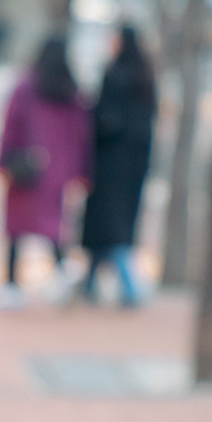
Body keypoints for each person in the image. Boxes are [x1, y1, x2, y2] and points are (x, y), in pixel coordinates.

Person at [0, 36, 91, 310]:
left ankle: (12, 285)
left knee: (16, 229)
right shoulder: (71, 91)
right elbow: (82, 136)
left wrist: (3, 162)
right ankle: (62, 275)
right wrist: (79, 171)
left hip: (27, 168)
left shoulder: (26, 88)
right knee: (54, 227)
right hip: (58, 172)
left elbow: (10, 125)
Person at [80, 26, 157, 307]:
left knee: (108, 228)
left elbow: (103, 120)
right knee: (114, 227)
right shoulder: (145, 77)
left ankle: (128, 287)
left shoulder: (115, 76)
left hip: (110, 164)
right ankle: (91, 284)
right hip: (134, 166)